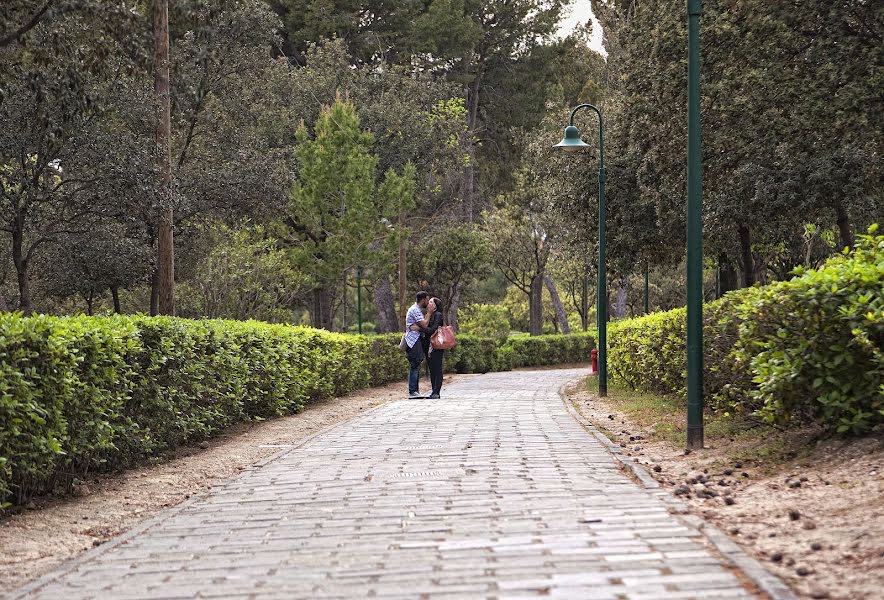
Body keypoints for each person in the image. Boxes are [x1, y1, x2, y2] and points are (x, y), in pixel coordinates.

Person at [404, 291, 434, 398]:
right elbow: (425, 325)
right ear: (424, 299)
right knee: (415, 364)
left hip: (415, 339)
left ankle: (415, 391)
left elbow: (420, 326)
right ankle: (412, 391)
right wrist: (429, 313)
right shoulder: (415, 310)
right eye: (428, 300)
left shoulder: (416, 309)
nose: (428, 303)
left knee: (417, 363)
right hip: (413, 340)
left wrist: (418, 327)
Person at [420, 297, 445, 399]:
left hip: (436, 345)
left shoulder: (438, 315)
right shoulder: (428, 315)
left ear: (435, 306)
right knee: (431, 368)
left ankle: (436, 391)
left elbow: (433, 329)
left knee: (437, 367)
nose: (428, 304)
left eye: (431, 302)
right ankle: (433, 390)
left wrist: (422, 328)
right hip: (428, 345)